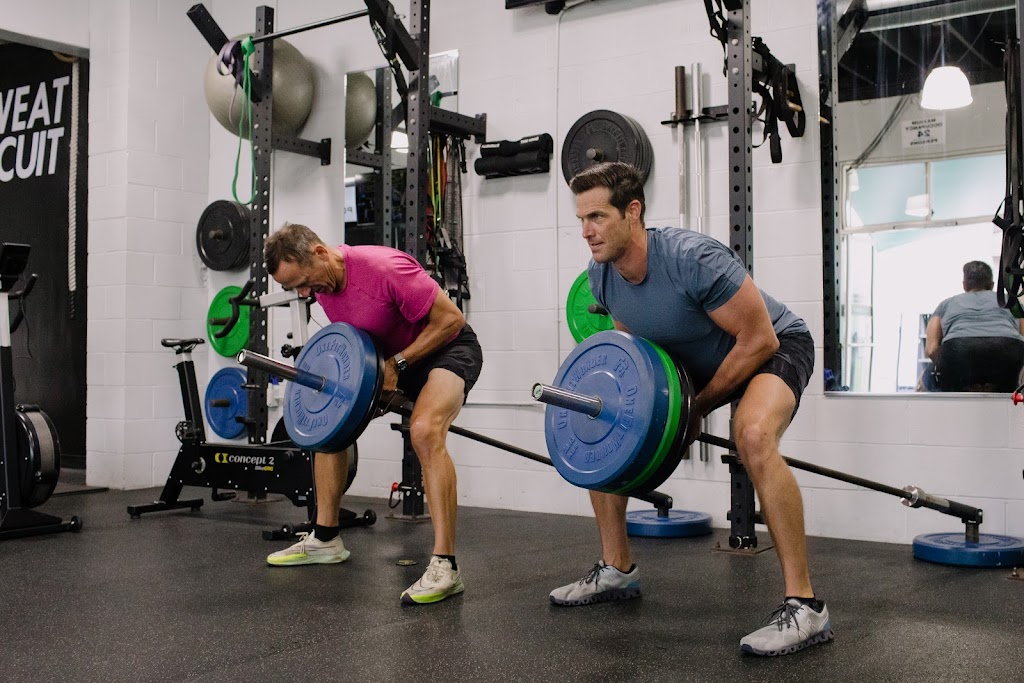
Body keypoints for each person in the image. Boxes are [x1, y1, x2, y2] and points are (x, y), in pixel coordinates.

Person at [549, 162, 832, 657]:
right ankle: (616, 569)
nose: (586, 231)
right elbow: (635, 354)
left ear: (632, 211)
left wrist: (695, 407)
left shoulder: (691, 258)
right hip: (696, 360)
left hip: (776, 344)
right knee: (604, 419)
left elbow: (758, 338)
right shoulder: (601, 276)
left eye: (596, 216)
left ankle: (805, 606)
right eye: (580, 219)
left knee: (753, 436)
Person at [262, 224, 483, 606]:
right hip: (392, 363)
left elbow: (451, 321)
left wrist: (398, 363)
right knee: (330, 424)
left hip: (447, 350)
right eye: (295, 289)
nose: (303, 293)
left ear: (319, 252)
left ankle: (446, 565)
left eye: (302, 282)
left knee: (425, 430)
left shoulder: (383, 269)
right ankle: (325, 539)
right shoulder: (325, 288)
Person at [923, 260, 1024, 392]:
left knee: (929, 377)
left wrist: (957, 374)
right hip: (1007, 350)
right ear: (992, 285)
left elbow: (931, 350)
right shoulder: (1012, 301)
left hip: (959, 350)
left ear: (964, 285)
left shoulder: (946, 304)